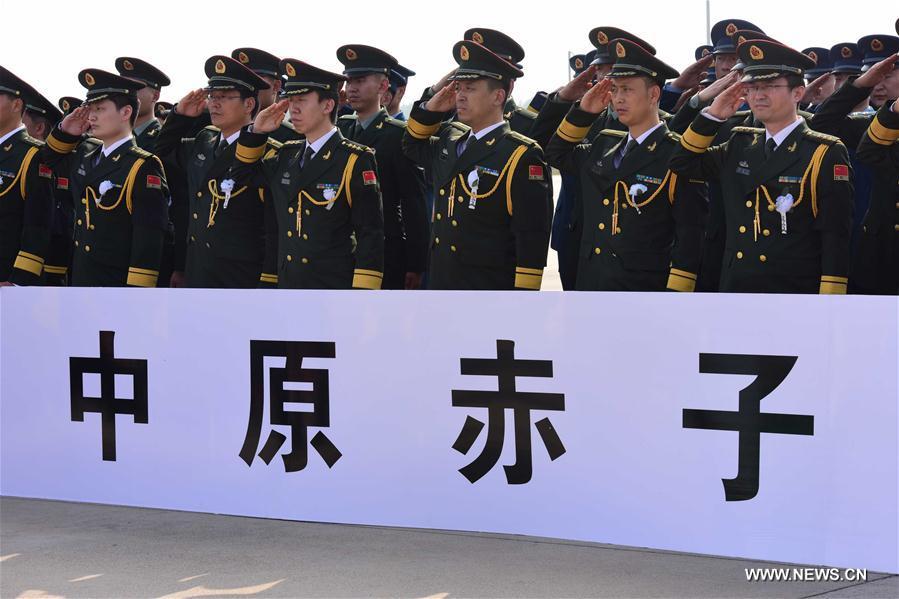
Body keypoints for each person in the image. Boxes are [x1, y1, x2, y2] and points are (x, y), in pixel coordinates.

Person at [670, 40, 854, 294]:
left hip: (792, 292)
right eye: (752, 87)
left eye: (769, 86)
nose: (758, 95)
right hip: (737, 286)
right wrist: (712, 117)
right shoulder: (739, 143)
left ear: (798, 93)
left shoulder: (824, 152)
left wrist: (830, 301)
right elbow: (682, 163)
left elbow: (835, 236)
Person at [544, 38, 707, 291]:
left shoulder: (677, 153)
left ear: (653, 94)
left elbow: (691, 235)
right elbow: (556, 154)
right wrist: (584, 112)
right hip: (593, 282)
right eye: (615, 89)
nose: (618, 98)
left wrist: (676, 296)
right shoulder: (604, 145)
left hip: (645, 290)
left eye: (627, 89)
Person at [402, 40, 552, 290]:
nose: (460, 95)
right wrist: (430, 108)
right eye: (459, 87)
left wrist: (523, 300)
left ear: (498, 95)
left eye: (470, 88)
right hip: (442, 282)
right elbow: (411, 146)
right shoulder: (450, 139)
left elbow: (530, 239)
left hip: (488, 290)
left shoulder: (520, 155)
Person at [232, 59, 385, 289]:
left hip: (331, 290)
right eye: (291, 100)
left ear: (327, 105)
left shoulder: (353, 160)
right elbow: (241, 176)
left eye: (302, 100)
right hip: (289, 284)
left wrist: (362, 294)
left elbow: (370, 234)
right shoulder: (286, 155)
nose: (293, 108)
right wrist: (256, 132)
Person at [41, 68, 169, 287]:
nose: (91, 116)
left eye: (100, 109)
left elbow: (148, 239)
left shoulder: (143, 165)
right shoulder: (86, 152)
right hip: (82, 276)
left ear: (126, 112)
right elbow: (46, 161)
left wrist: (137, 292)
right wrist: (65, 130)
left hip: (116, 285)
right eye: (90, 109)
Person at [155, 55, 274, 288]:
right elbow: (162, 155)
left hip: (240, 276)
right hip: (199, 269)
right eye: (212, 96)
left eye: (224, 97)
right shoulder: (204, 140)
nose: (214, 104)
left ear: (249, 104)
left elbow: (272, 227)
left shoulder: (266, 151)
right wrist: (179, 116)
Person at [336, 44, 428, 289]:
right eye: (348, 81)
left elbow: (413, 202)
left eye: (360, 80)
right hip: (339, 253)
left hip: (386, 255)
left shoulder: (397, 136)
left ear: (383, 86)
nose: (351, 88)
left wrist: (415, 264)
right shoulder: (340, 130)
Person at [0, 65, 54, 286]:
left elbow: (38, 226)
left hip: (6, 281)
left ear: (16, 104)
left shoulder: (34, 155)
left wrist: (18, 282)